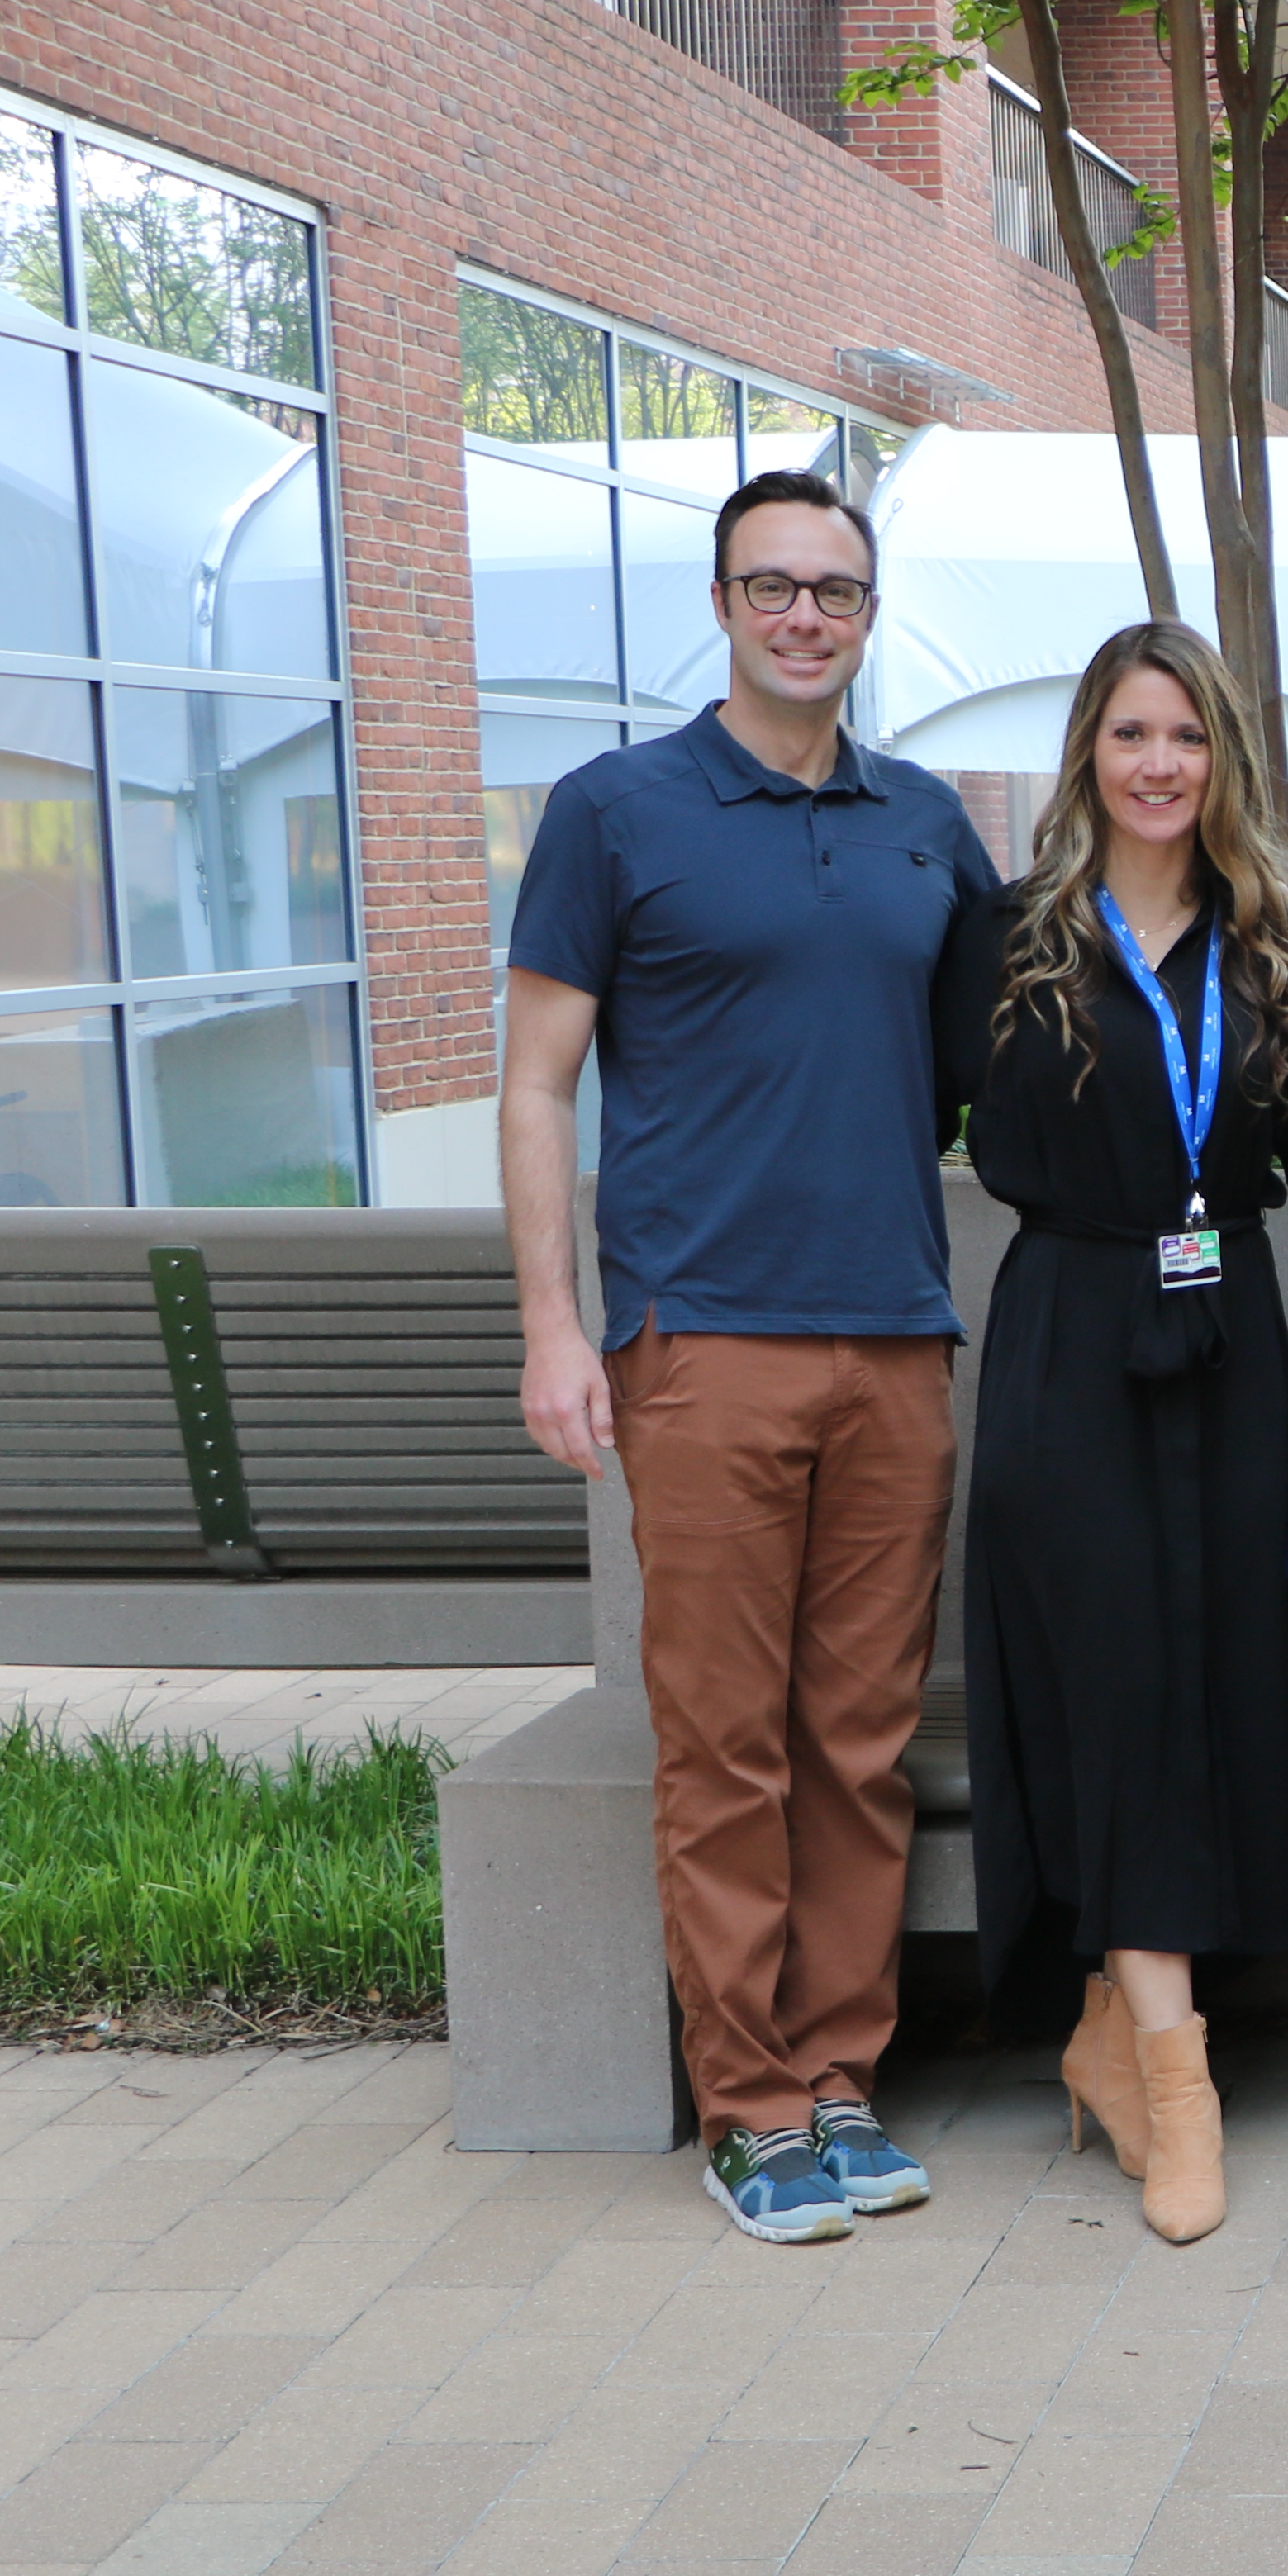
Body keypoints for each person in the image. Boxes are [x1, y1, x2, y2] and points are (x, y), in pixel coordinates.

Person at [503, 467, 1003, 2244]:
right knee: (727, 1745)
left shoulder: (926, 822)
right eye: (773, 584)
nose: (805, 614)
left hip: (896, 1340)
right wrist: (553, 1325)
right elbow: (538, 1082)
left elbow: (1006, 1054)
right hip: (701, 1340)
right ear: (721, 603)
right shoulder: (614, 810)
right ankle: (748, 2101)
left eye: (836, 590)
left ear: (869, 614)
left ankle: (842, 2076)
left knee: (859, 1742)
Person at [943, 622, 1288, 2248]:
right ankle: (1180, 2076)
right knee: (1109, 1673)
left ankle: (1114, 2025)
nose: (1159, 762)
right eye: (1130, 733)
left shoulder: (1275, 949)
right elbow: (896, 1108)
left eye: (1186, 735)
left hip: (1226, 1332)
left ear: (1221, 758)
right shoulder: (1004, 938)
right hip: (1071, 1334)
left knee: (1222, 1664)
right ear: (1087, 755)